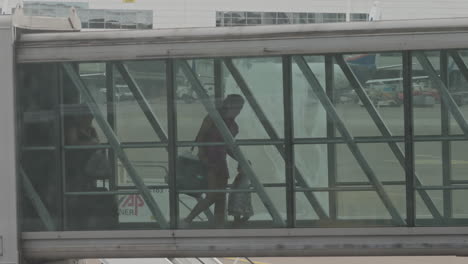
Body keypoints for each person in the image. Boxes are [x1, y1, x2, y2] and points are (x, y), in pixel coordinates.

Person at [182, 94, 245, 227]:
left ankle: (219, 224)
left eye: (240, 108)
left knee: (220, 196)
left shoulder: (234, 126)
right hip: (209, 161)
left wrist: (241, 159)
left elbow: (228, 148)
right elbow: (200, 137)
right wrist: (202, 155)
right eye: (237, 107)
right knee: (213, 195)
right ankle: (188, 220)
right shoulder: (213, 117)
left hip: (219, 161)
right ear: (228, 105)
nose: (239, 111)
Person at [64, 104, 117, 230]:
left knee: (88, 190)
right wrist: (90, 143)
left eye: (91, 116)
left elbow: (97, 143)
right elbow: (73, 143)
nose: (90, 119)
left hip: (89, 164)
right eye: (88, 116)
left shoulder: (91, 129)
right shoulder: (73, 128)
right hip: (75, 165)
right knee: (77, 193)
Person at [228, 163, 253, 227]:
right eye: (238, 167)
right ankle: (237, 224)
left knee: (239, 214)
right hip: (238, 198)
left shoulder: (243, 176)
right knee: (238, 214)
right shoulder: (242, 176)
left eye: (240, 167)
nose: (238, 168)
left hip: (239, 198)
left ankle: (237, 224)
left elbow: (236, 186)